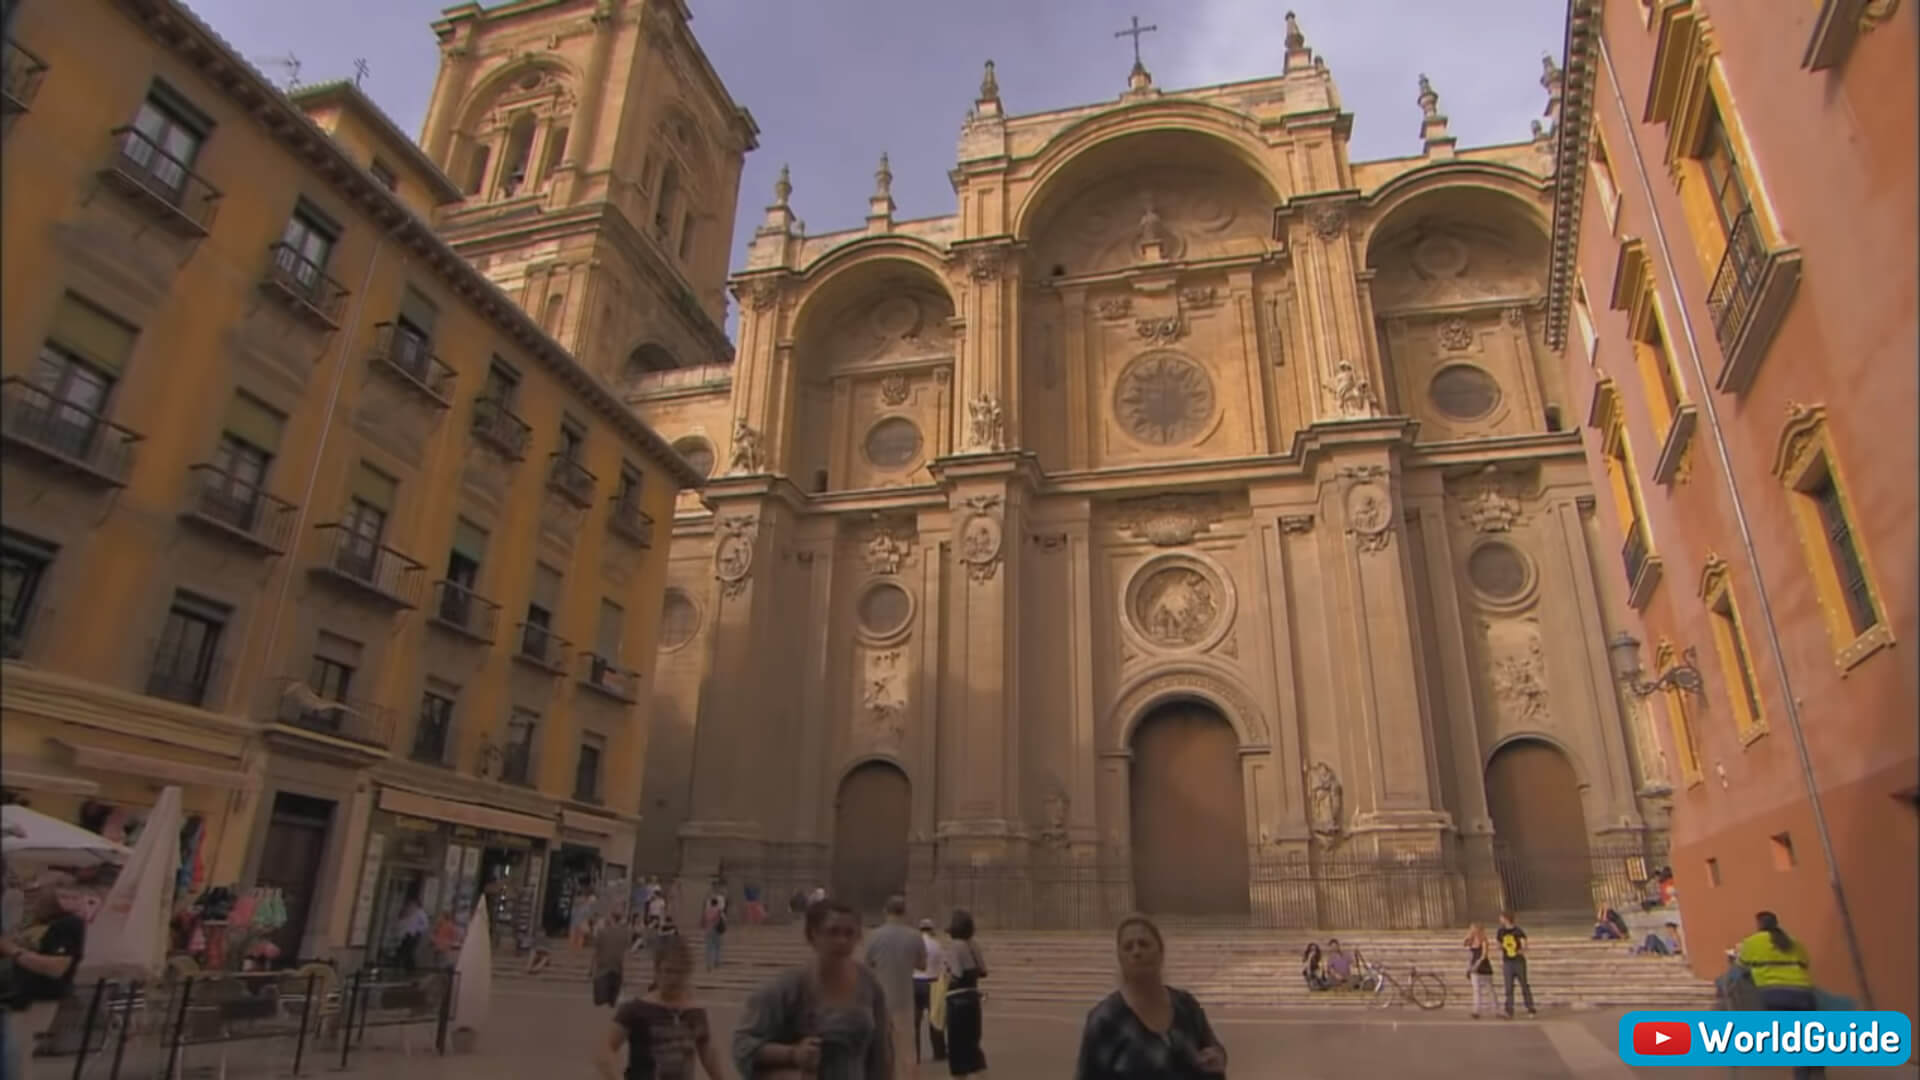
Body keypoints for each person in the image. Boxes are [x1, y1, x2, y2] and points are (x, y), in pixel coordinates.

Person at [732, 898, 893, 1079]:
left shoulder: (869, 984)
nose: (842, 940)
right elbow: (742, 1045)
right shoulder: (787, 988)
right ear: (813, 935)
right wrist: (792, 1054)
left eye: (850, 933)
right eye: (833, 932)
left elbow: (881, 1055)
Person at [1074, 914, 1227, 1078]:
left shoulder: (1186, 1005)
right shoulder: (1105, 1020)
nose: (1137, 951)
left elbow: (1213, 1050)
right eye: (1128, 947)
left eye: (1144, 944)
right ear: (1120, 958)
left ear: (1161, 952)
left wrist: (1218, 1057)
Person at [600, 934, 726, 1080]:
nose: (673, 979)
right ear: (657, 970)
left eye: (679, 972)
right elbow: (605, 1049)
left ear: (687, 973)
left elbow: (708, 1053)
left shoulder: (695, 1013)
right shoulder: (636, 1009)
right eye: (668, 971)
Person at [1, 873, 86, 1080]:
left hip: (36, 1000)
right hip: (15, 998)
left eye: (38, 890)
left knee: (16, 1056)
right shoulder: (38, 923)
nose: (33, 895)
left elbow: (57, 966)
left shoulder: (67, 925)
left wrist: (14, 951)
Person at [1736, 911, 1824, 1080]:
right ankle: (1817, 1069)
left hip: (1774, 995)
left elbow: (1741, 966)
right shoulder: (1794, 942)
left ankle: (1803, 1075)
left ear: (1759, 924)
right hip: (1803, 993)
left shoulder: (1751, 942)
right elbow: (1805, 963)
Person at [863, 896, 922, 1080]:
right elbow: (922, 965)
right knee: (907, 1052)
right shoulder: (914, 936)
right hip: (904, 999)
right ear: (904, 911)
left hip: (880, 1001)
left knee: (881, 1050)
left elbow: (867, 964)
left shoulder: (874, 936)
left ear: (885, 912)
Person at [941, 908, 988, 1077]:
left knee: (957, 1048)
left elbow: (957, 974)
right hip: (973, 998)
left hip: (957, 1001)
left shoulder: (955, 946)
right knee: (973, 1047)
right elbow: (983, 971)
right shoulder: (973, 945)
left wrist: (946, 971)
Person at [913, 918, 947, 1064]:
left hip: (914, 981)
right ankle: (939, 1052)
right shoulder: (936, 945)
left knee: (914, 1021)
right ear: (931, 929)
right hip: (932, 983)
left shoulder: (913, 944)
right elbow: (942, 967)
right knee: (935, 1019)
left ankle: (915, 1054)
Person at [1496, 911, 1537, 1019]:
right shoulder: (1500, 931)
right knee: (1508, 986)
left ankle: (1530, 1008)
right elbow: (1499, 944)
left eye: (1501, 918)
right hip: (1507, 961)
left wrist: (1521, 950)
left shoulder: (1518, 931)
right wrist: (1500, 949)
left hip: (1518, 961)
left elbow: (1525, 945)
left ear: (1506, 918)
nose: (1500, 920)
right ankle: (1509, 1010)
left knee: (1524, 984)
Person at [593, 904, 634, 1008]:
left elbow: (596, 951)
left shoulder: (602, 932)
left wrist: (591, 968)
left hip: (603, 968)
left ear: (611, 918)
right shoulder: (625, 932)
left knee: (600, 1002)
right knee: (612, 1002)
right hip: (617, 968)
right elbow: (627, 950)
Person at [391, 891, 428, 971]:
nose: (411, 905)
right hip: (408, 934)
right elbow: (405, 922)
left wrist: (417, 931)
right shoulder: (411, 911)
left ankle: (409, 968)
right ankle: (405, 967)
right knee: (405, 950)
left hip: (414, 935)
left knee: (408, 951)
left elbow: (425, 925)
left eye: (412, 903)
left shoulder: (420, 913)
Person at [1463, 924, 1494, 1018]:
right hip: (1474, 968)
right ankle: (1476, 1011)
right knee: (1476, 990)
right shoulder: (1471, 941)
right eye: (1471, 929)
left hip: (1484, 967)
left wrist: (1477, 964)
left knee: (1490, 989)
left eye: (1474, 929)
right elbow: (1465, 944)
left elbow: (1484, 955)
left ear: (1478, 930)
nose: (1472, 931)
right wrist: (1469, 967)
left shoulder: (1484, 941)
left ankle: (1496, 1008)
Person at [701, 882, 728, 972]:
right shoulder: (719, 908)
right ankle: (716, 962)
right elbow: (722, 917)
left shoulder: (707, 909)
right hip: (716, 929)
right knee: (717, 946)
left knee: (709, 947)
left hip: (708, 929)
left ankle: (708, 964)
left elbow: (704, 919)